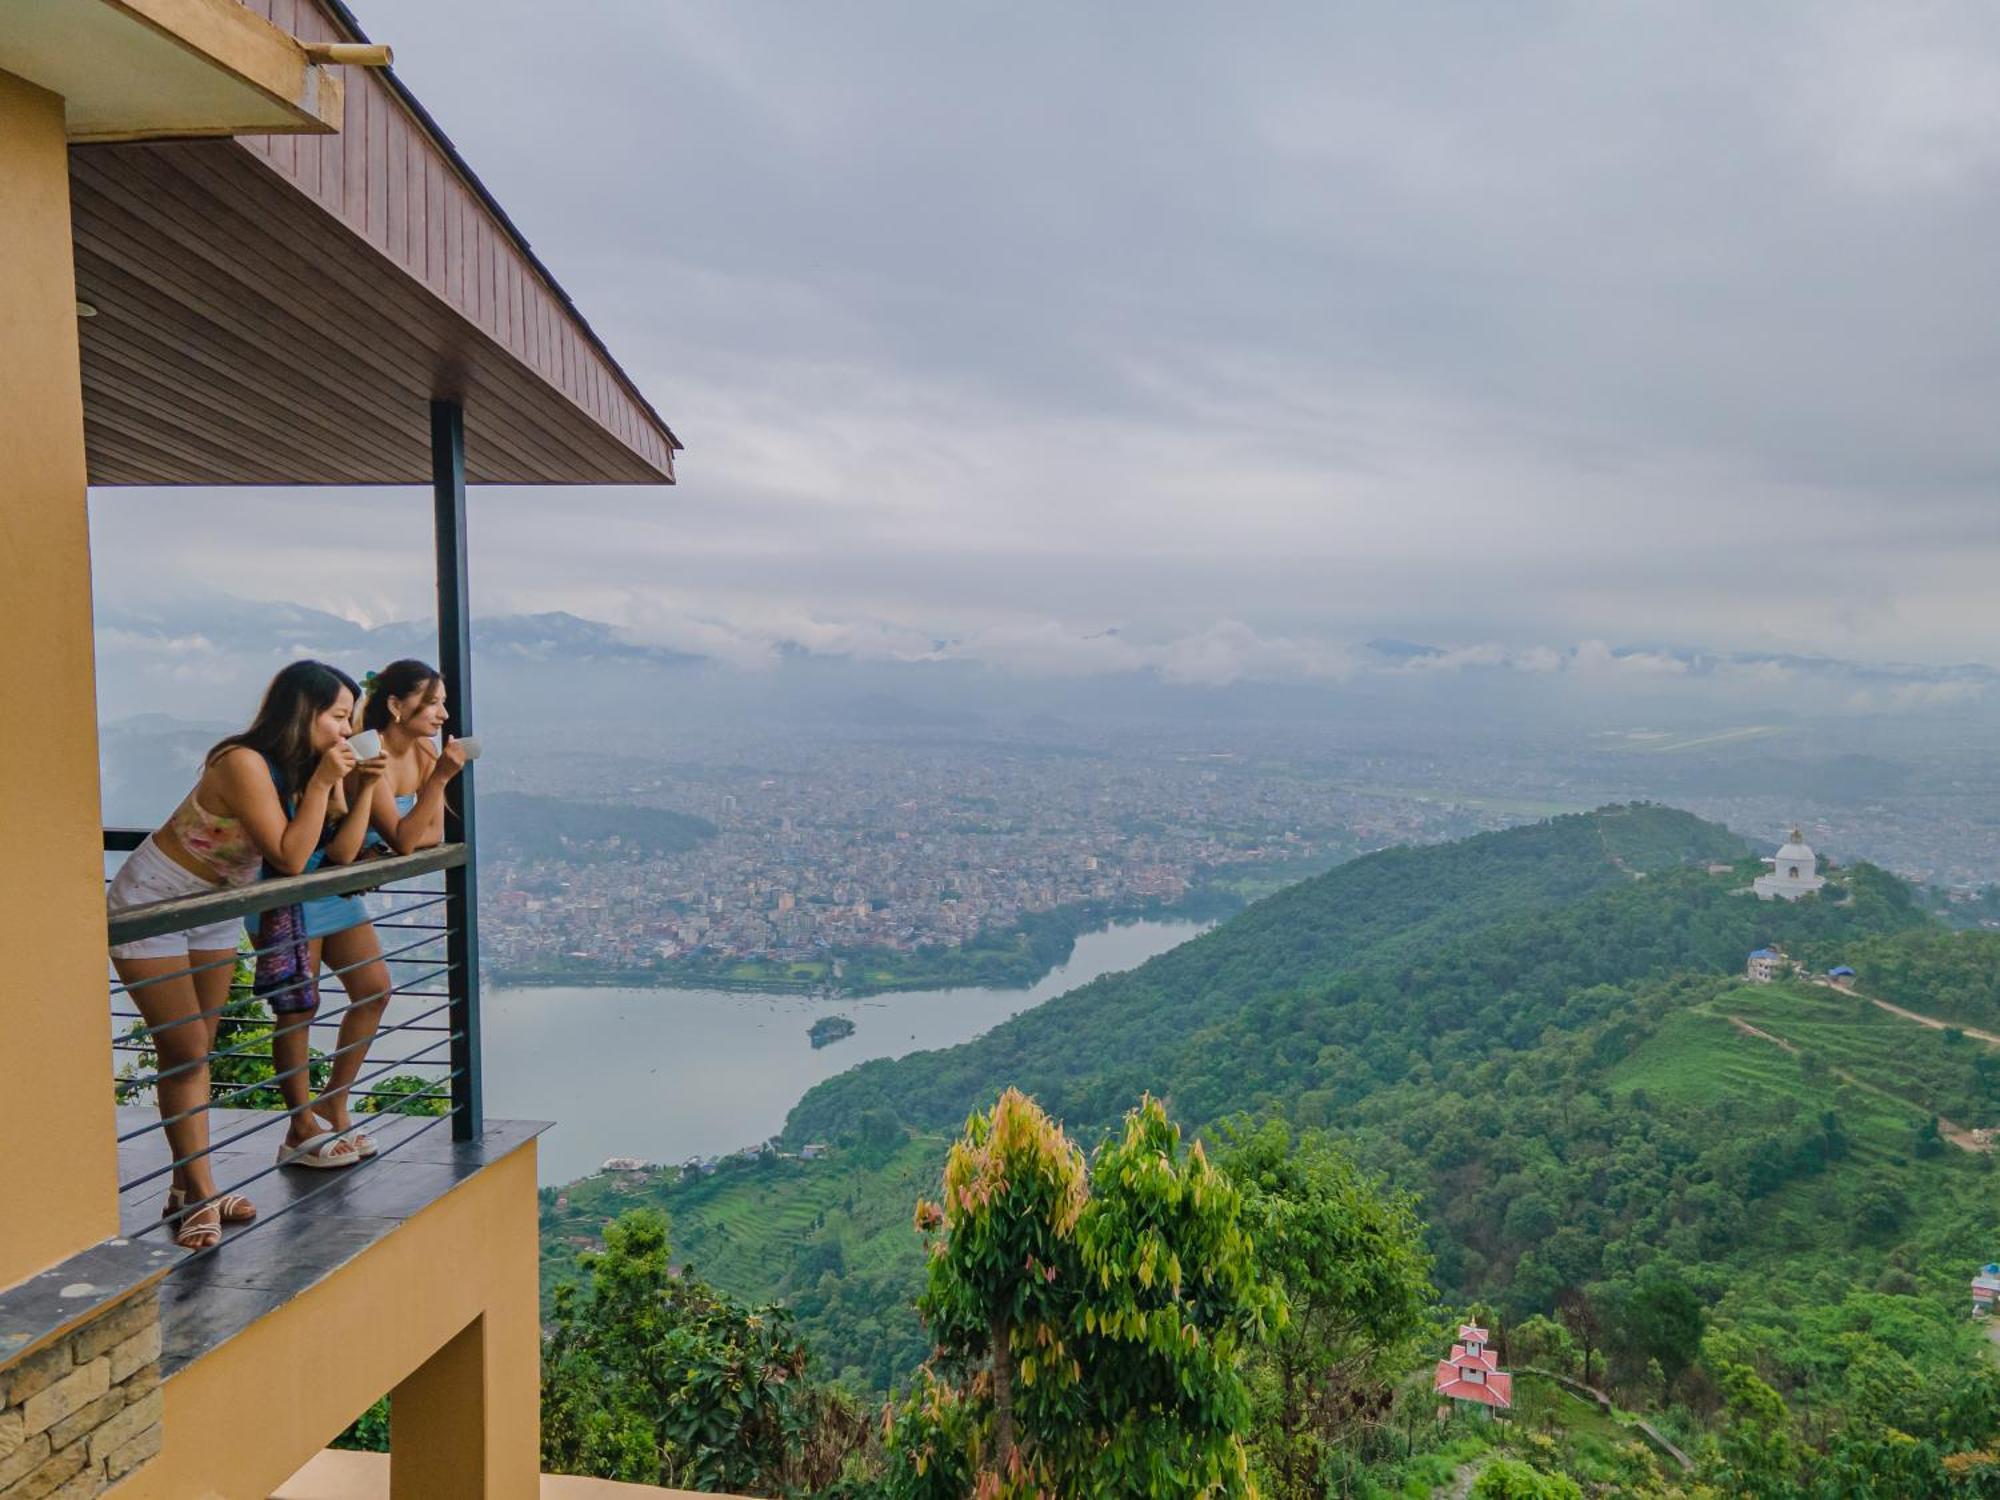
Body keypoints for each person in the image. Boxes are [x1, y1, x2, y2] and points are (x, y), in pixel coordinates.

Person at [107, 661, 382, 1250]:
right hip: (153, 905)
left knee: (200, 1048)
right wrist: (319, 784)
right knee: (183, 1050)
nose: (343, 731)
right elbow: (287, 856)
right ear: (302, 711)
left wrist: (350, 785)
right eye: (337, 718)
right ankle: (200, 1198)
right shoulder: (241, 762)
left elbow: (330, 847)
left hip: (215, 908)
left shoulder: (299, 769)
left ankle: (187, 1189)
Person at [281, 660, 468, 1157]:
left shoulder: (424, 751)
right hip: (310, 876)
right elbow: (409, 839)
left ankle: (333, 1103)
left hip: (341, 884)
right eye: (432, 702)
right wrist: (441, 779)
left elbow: (434, 834)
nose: (442, 714)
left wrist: (427, 795)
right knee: (301, 1007)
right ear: (394, 705)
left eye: (442, 702)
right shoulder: (371, 751)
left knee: (374, 990)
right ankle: (300, 1128)